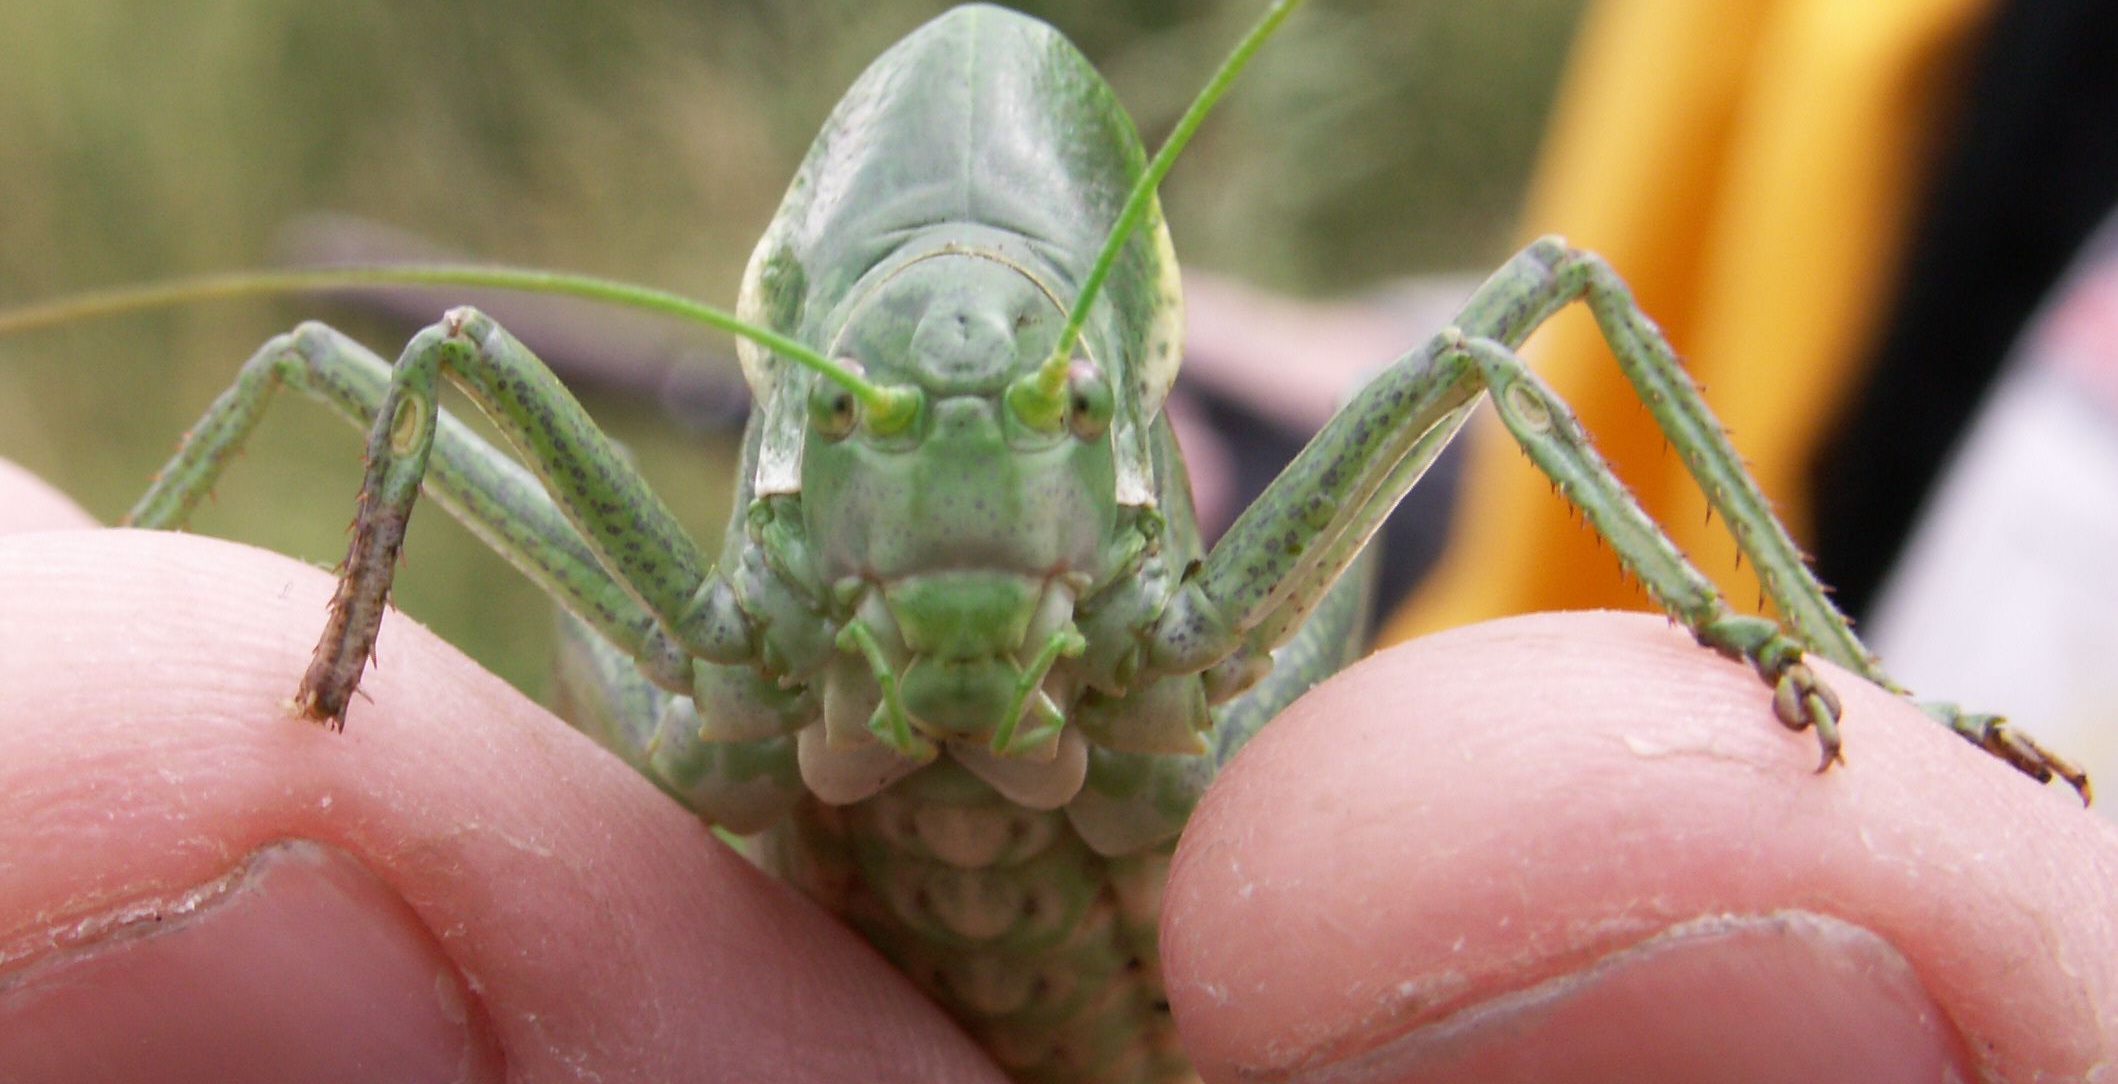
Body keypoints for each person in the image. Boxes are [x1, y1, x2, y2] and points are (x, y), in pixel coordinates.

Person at [3, 459, 2113, 1083]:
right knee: (390, 383)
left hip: (1218, 987)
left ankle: (1836, 668)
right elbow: (413, 376)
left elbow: (1527, 315)